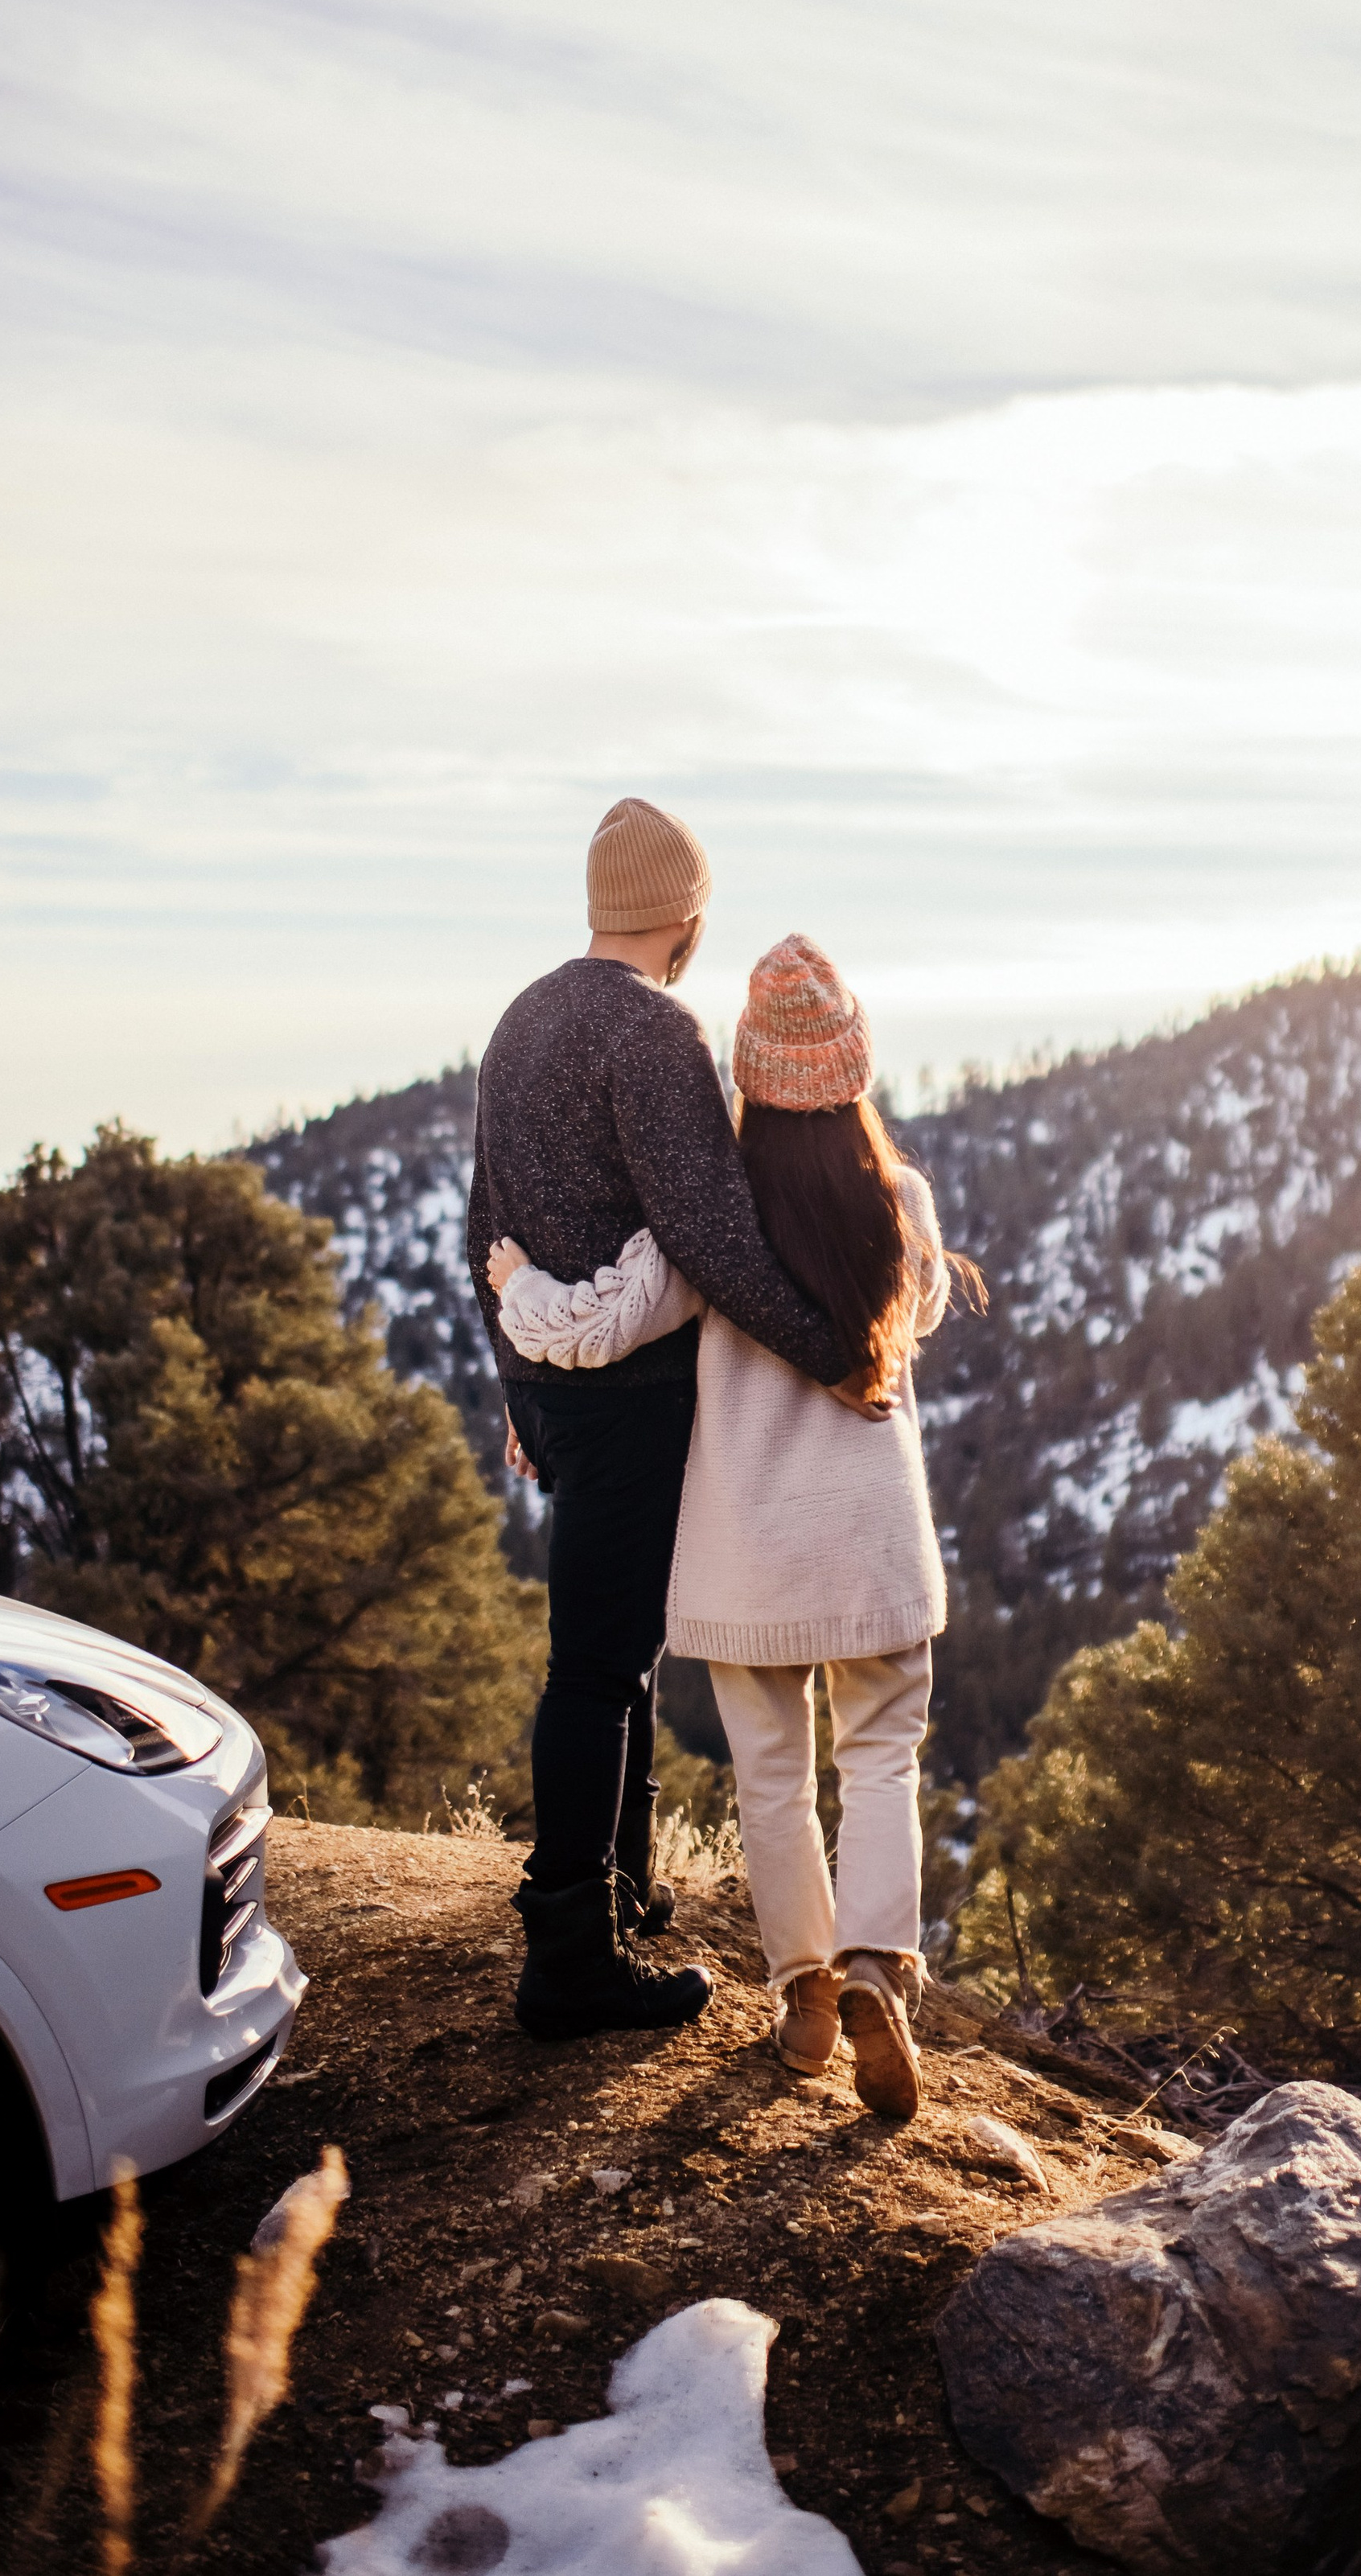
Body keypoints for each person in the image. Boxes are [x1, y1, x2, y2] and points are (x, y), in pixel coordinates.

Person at [490, 933, 983, 2122]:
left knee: (772, 1777)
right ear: (854, 1075)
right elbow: (914, 1317)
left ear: (748, 1083)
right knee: (881, 1759)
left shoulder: (707, 1223)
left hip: (748, 1553)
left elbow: (602, 1326)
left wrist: (515, 1288)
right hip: (872, 1544)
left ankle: (803, 1992)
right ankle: (878, 1974)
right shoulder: (901, 1203)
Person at [468, 800, 870, 2043]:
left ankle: (626, 1893)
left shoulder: (523, 1016)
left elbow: (484, 1228)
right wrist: (834, 1355)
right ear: (686, 920)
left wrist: (518, 1389)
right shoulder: (656, 1032)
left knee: (618, 1653)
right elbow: (711, 1237)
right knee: (597, 1668)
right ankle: (569, 1961)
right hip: (633, 1403)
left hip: (558, 1391)